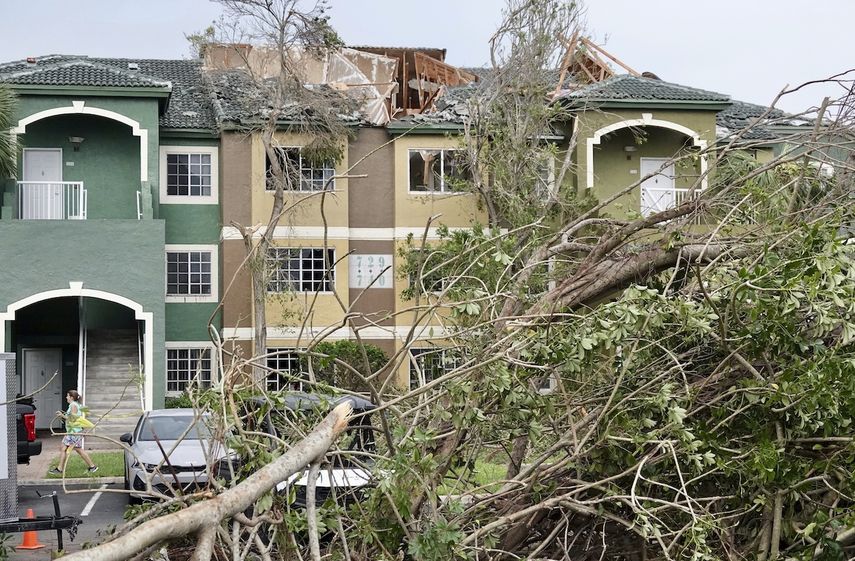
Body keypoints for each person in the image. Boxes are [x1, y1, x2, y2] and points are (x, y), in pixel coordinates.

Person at [49, 390, 98, 474]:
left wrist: (62, 416)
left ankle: (92, 466)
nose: (66, 397)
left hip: (74, 432)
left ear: (71, 397)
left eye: (67, 396)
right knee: (64, 448)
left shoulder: (73, 405)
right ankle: (59, 469)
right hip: (72, 431)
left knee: (77, 449)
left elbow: (73, 419)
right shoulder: (74, 405)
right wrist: (62, 415)